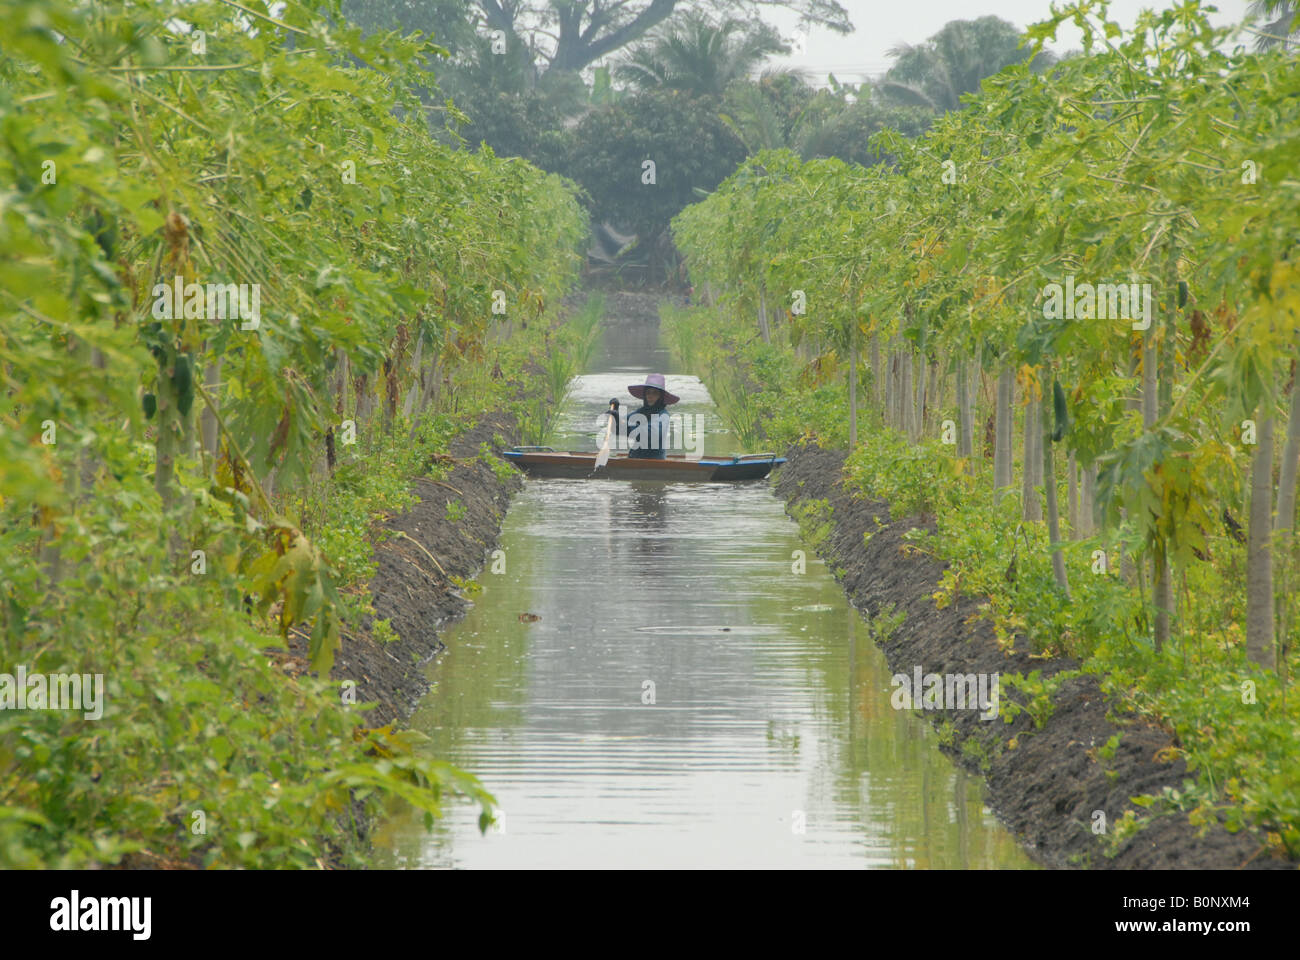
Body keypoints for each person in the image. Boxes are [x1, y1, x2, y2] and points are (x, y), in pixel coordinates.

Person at [605, 373, 680, 459]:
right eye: (648, 393)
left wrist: (621, 421)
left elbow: (647, 435)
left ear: (661, 397)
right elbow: (617, 430)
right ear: (644, 395)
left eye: (655, 393)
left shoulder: (663, 416)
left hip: (654, 463)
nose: (650, 396)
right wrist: (615, 414)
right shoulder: (641, 411)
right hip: (635, 459)